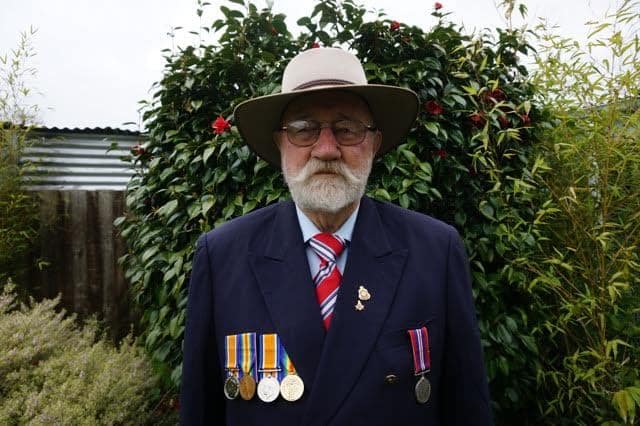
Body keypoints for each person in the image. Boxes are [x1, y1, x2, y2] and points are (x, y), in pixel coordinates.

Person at [180, 47, 492, 425]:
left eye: (347, 129)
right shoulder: (222, 256)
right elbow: (201, 411)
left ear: (375, 143)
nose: (326, 150)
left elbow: (466, 409)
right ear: (280, 143)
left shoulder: (435, 252)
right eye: (303, 129)